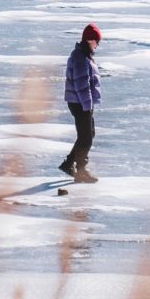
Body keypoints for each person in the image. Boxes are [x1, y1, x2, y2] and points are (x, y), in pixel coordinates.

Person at [60, 23, 102, 183]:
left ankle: (69, 163)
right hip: (80, 103)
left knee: (87, 134)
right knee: (86, 137)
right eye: (97, 41)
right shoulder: (80, 57)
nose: (98, 44)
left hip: (80, 102)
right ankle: (81, 170)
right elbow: (81, 85)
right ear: (90, 40)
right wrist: (87, 105)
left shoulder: (84, 55)